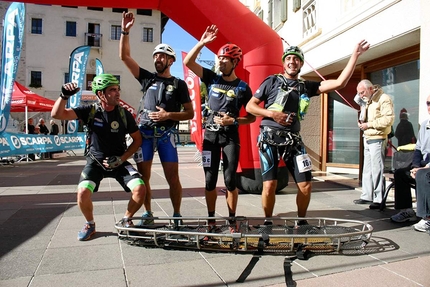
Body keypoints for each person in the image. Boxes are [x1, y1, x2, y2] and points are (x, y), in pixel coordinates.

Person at [246, 41, 370, 224]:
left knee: (305, 185)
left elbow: (340, 83)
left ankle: (301, 222)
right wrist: (273, 114)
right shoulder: (272, 81)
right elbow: (250, 106)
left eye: (296, 59)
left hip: (294, 141)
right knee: (270, 185)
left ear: (301, 63)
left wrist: (355, 55)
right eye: (288, 58)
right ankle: (268, 222)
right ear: (283, 62)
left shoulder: (307, 86)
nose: (292, 62)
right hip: (269, 138)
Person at [51, 74, 146, 241]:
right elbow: (57, 115)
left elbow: (138, 139)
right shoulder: (90, 110)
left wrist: (122, 159)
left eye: (118, 89)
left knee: (140, 188)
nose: (118, 93)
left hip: (119, 162)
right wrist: (64, 96)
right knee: (82, 192)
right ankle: (90, 224)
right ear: (101, 94)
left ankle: (127, 220)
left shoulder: (124, 114)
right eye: (112, 90)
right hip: (95, 162)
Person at [120, 12, 193, 224]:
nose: (157, 59)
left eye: (162, 56)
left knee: (173, 178)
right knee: (144, 178)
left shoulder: (179, 84)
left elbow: (190, 113)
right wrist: (125, 30)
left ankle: (177, 215)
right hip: (144, 134)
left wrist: (168, 115)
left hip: (166, 135)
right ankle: (148, 213)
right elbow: (124, 57)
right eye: (155, 56)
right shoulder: (147, 78)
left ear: (171, 60)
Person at [183, 25, 256, 231]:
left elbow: (251, 117)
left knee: (230, 179)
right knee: (209, 180)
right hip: (210, 138)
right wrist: (202, 43)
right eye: (219, 59)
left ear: (235, 62)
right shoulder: (212, 78)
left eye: (225, 59)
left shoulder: (243, 88)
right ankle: (211, 220)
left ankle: (232, 220)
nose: (220, 62)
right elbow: (189, 62)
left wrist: (233, 121)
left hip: (230, 138)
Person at [354, 80, 394, 209]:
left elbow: (388, 119)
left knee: (377, 169)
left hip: (378, 137)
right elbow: (356, 100)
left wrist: (369, 124)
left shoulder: (383, 98)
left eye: (362, 92)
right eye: (359, 93)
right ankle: (367, 195)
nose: (361, 95)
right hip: (368, 136)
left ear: (371, 89)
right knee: (367, 169)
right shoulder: (367, 99)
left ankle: (379, 198)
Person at [390, 95, 430, 224]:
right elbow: (418, 149)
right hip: (423, 164)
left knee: (423, 175)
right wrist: (415, 166)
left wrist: (423, 168)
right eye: (428, 103)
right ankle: (407, 210)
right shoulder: (425, 125)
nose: (429, 107)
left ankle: (427, 217)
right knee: (401, 173)